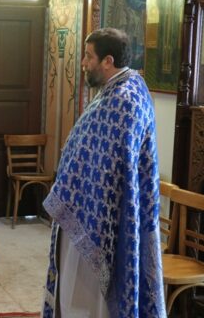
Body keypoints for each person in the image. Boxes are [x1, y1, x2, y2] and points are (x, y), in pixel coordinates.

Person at [41, 28, 165, 317]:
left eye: (88, 56)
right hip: (84, 208)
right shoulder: (112, 92)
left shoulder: (127, 99)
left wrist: (83, 197)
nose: (83, 63)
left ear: (108, 61)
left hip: (103, 219)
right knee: (73, 293)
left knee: (91, 300)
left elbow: (116, 166)